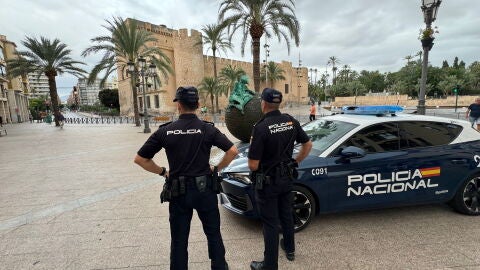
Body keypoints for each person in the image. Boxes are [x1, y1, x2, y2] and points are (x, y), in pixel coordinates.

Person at [134, 86, 238, 270]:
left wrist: (162, 172)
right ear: (198, 104)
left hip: (178, 192)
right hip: (204, 190)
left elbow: (140, 159)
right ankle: (219, 266)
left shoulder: (165, 131)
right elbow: (232, 151)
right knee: (213, 233)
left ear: (179, 105)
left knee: (179, 239)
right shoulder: (207, 129)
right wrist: (216, 168)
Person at [248, 88, 312, 270]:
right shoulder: (291, 121)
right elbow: (307, 144)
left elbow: (253, 165)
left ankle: (269, 265)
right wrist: (295, 162)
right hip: (286, 179)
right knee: (286, 214)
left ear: (263, 103)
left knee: (270, 223)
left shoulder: (260, 128)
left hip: (267, 184)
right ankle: (290, 249)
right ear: (278, 103)